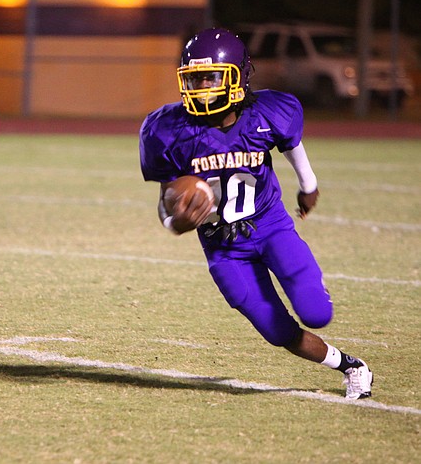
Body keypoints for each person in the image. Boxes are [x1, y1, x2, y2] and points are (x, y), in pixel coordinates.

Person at [138, 28, 373, 399]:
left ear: (238, 77)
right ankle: (351, 366)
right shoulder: (169, 130)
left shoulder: (266, 112)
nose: (201, 87)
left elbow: (290, 142)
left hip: (270, 227)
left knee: (316, 312)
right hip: (223, 249)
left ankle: (319, 305)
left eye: (211, 77)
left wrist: (308, 185)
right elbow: (167, 203)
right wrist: (176, 221)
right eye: (195, 79)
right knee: (277, 331)